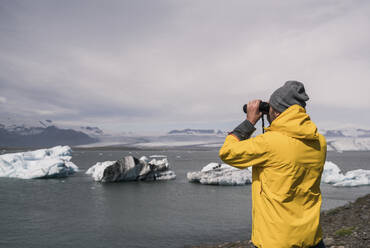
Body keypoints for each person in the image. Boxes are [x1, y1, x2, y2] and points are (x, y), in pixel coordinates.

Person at [219, 81, 327, 248]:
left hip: (276, 241)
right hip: (312, 237)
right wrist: (273, 111)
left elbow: (227, 153)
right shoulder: (319, 141)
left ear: (276, 113)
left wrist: (249, 122)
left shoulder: (269, 143)